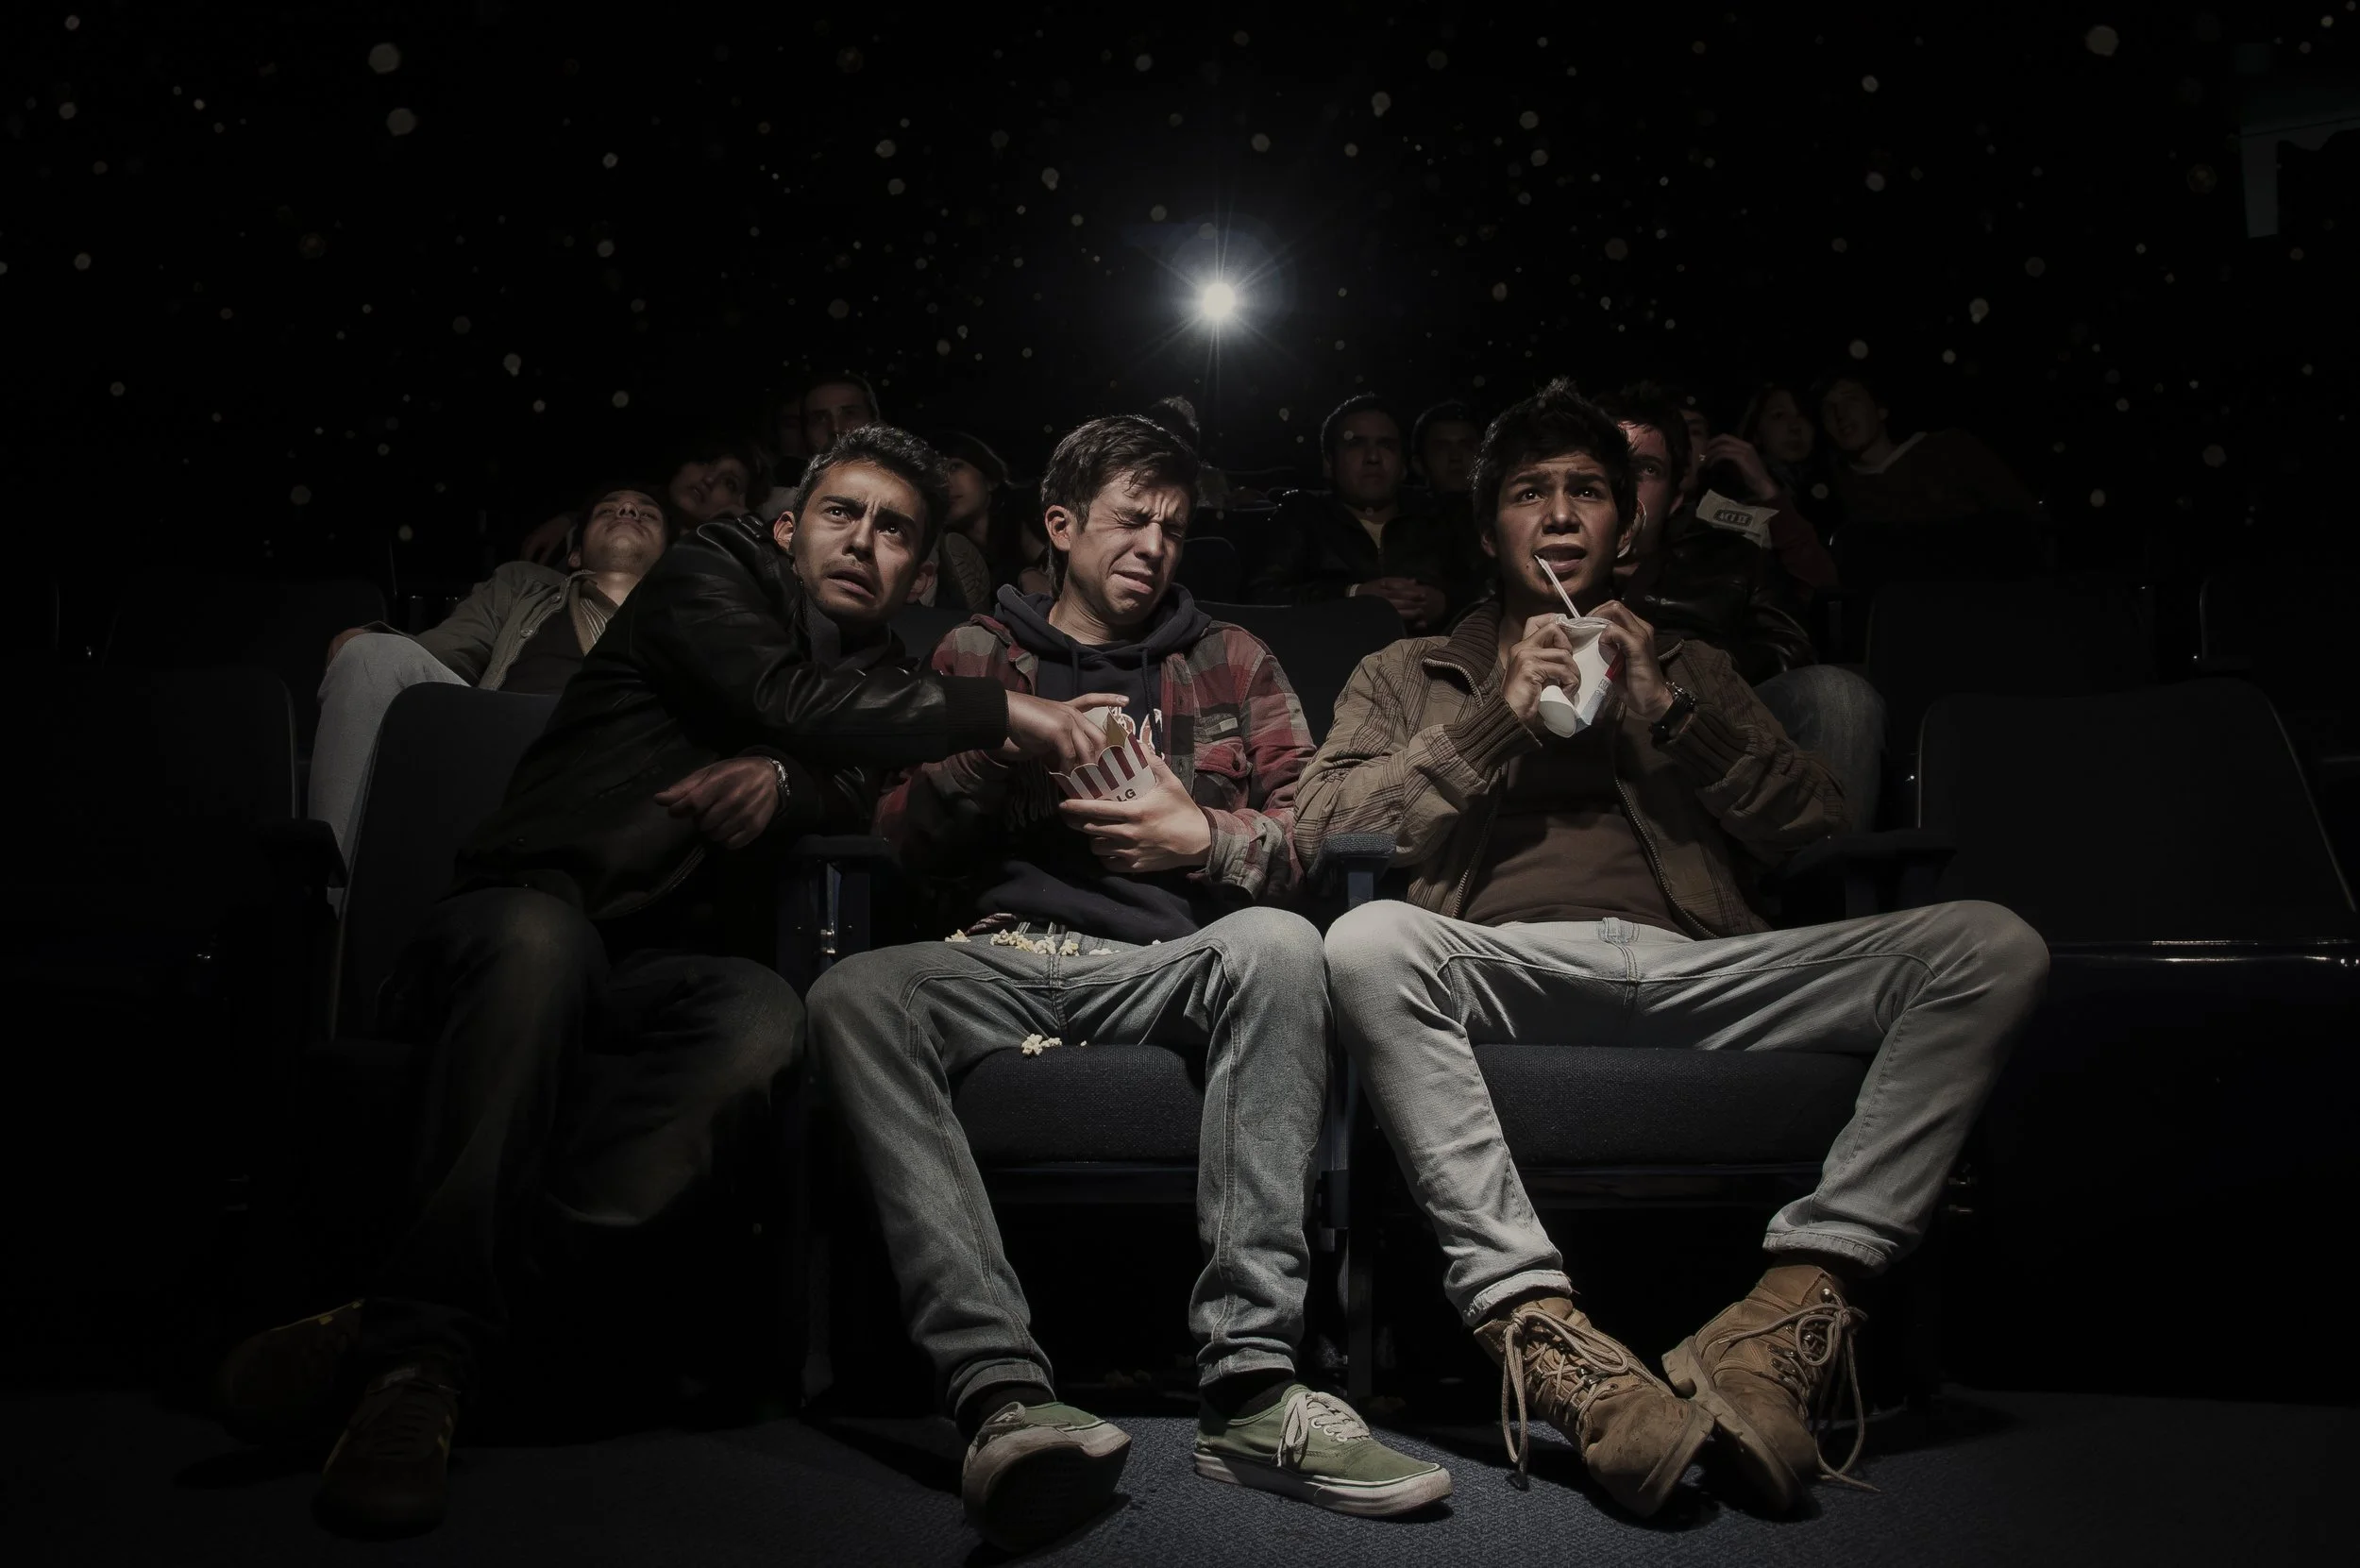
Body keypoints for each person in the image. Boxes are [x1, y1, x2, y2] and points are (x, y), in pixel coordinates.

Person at [213, 427, 1121, 1538]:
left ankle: (408, 1319)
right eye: (843, 513)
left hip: (667, 964)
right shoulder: (713, 571)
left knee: (762, 1017)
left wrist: (789, 781)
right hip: (526, 903)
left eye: (896, 531)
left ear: (920, 570)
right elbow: (780, 693)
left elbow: (848, 793)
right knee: (540, 955)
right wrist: (1003, 709)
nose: (865, 542)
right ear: (788, 526)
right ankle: (419, 1372)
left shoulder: (884, 677)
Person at [1293, 379, 2048, 1519]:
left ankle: (1793, 1307)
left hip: (1701, 969)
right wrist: (1494, 714)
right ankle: (1540, 1328)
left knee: (1990, 944)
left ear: (1625, 524)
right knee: (1363, 937)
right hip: (1505, 974)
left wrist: (1673, 716)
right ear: (1489, 522)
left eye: (1587, 491)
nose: (1559, 514)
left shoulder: (1690, 665)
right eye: (1528, 492)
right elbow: (1318, 828)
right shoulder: (1407, 673)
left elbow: (1821, 828)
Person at [806, 397, 1447, 1555]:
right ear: (1059, 523)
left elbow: (1312, 835)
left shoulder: (1230, 657)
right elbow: (892, 837)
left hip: (1170, 958)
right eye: (1127, 521)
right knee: (851, 991)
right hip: (996, 953)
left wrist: (1198, 835)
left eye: (1171, 525)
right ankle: (1002, 1396)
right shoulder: (975, 652)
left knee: (1286, 942)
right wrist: (1005, 743)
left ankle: (1251, 1387)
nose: (1152, 545)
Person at [310, 484, 674, 870]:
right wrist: (373, 642)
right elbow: (448, 648)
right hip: (501, 748)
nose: (628, 511)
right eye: (608, 510)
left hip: (628, 762)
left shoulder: (698, 612)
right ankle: (333, 902)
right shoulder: (522, 586)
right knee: (369, 656)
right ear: (575, 553)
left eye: (646, 513)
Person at [1599, 385, 1883, 823]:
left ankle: (1835, 881)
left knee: (1839, 694)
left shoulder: (1732, 555)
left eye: (1646, 469)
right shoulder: (1547, 554)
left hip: (1722, 718)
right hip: (1592, 731)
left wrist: (1680, 679)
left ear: (1676, 494)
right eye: (1609, 466)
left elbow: (1789, 649)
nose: (1622, 483)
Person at [1246, 394, 1459, 632]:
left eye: (1386, 445)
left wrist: (1445, 604)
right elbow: (1260, 598)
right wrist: (1352, 596)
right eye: (1355, 444)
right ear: (1329, 463)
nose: (1373, 458)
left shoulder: (1438, 516)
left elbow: (1486, 592)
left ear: (1403, 465)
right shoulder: (1302, 515)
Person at [1815, 373, 2035, 526]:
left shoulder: (1950, 449)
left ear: (1880, 409)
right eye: (1828, 409)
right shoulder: (1836, 491)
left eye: (1850, 399)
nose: (1840, 413)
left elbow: (2023, 517)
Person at [516, 431, 764, 565]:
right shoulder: (603, 525)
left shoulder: (725, 564)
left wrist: (747, 524)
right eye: (703, 461)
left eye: (729, 482)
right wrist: (574, 520)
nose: (708, 479)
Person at [919, 430, 1038, 613]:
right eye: (936, 475)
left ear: (990, 480)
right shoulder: (941, 548)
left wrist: (1029, 575)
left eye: (954, 467)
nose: (944, 482)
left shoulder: (1030, 514)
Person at [1738, 381, 1843, 537]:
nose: (1795, 427)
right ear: (1756, 432)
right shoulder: (1738, 498)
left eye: (1803, 416)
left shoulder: (1839, 482)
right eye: (1779, 415)